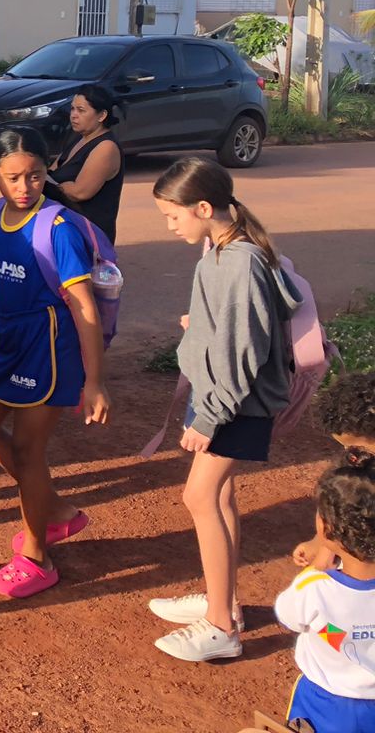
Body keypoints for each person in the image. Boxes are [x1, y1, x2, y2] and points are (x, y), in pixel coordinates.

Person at [0, 127, 110, 601]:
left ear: (46, 172)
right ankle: (53, 509)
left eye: (35, 176)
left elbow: (84, 307)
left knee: (27, 452)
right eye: (13, 177)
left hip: (49, 349)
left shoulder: (57, 229)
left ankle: (37, 558)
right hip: (8, 340)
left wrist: (94, 381)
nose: (24, 187)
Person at [148, 156, 293, 663]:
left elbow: (244, 350)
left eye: (174, 215)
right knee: (220, 495)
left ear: (204, 208)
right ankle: (222, 601)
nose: (171, 225)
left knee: (200, 496)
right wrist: (200, 328)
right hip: (223, 397)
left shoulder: (239, 261)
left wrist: (209, 417)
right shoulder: (222, 252)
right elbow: (231, 331)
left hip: (232, 405)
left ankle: (221, 628)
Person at [273, 461, 375, 731]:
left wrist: (319, 564)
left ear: (324, 528)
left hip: (324, 706)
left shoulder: (314, 588)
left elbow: (288, 616)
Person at [295, 373, 375, 568]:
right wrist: (321, 544)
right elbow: (344, 508)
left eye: (354, 447)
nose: (350, 454)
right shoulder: (361, 467)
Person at [44, 85, 125, 243]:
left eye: (81, 110)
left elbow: (80, 192)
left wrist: (55, 186)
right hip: (65, 229)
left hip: (89, 234)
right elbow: (50, 173)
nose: (73, 115)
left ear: (102, 115)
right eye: (72, 109)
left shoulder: (106, 147)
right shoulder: (78, 139)